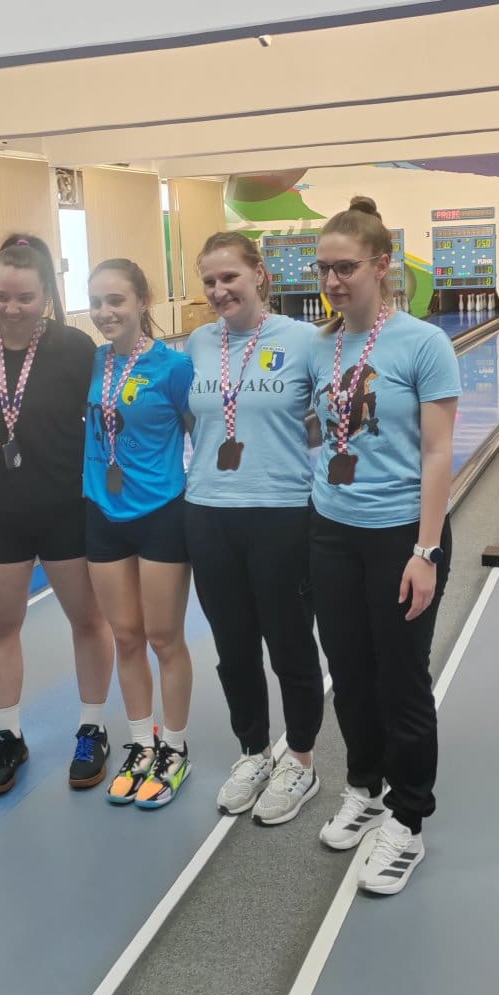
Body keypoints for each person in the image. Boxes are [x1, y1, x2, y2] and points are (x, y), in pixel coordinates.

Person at [308, 198, 460, 895]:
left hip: (402, 535)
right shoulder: (320, 345)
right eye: (323, 268)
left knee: (401, 679)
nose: (332, 281)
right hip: (331, 530)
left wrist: (425, 552)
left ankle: (408, 818)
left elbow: (437, 453)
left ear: (380, 265)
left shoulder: (423, 344)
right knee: (348, 671)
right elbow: (317, 430)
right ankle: (365, 787)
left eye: (345, 267)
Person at [0, 234, 115, 796]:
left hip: (67, 511)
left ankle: (92, 729)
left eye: (24, 298)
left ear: (47, 295)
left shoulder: (74, 349)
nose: (11, 308)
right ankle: (8, 738)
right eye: (1, 296)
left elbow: (106, 426)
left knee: (88, 620)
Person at [185, 232, 325, 825]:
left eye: (230, 278)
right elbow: (193, 421)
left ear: (259, 274)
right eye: (210, 281)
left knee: (289, 646)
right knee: (233, 647)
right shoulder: (197, 343)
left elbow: (331, 419)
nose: (220, 291)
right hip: (207, 511)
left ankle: (301, 760)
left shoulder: (304, 340)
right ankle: (253, 752)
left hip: (282, 512)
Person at [84, 260, 194, 808]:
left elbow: (201, 432)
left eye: (116, 300)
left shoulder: (174, 367)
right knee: (125, 636)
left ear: (142, 301)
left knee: (163, 638)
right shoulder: (92, 362)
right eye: (96, 302)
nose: (105, 312)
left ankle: (173, 747)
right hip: (102, 514)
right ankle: (140, 744)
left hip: (162, 514)